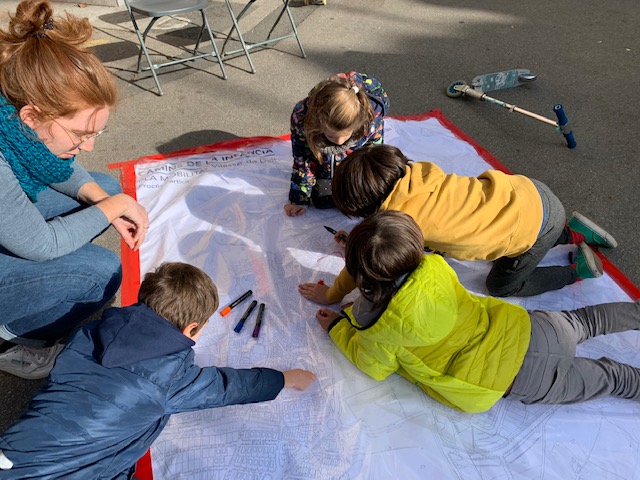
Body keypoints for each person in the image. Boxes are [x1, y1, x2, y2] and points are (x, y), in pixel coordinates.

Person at [0, 262, 317, 478]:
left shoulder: (91, 332)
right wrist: (285, 378)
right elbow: (231, 386)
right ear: (191, 329)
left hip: (17, 450)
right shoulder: (169, 378)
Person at [311, 210, 640, 413]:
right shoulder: (435, 266)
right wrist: (374, 254)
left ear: (361, 276)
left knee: (614, 378)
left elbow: (375, 367)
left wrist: (339, 327)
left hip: (520, 381)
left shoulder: (375, 326)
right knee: (588, 321)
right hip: (533, 330)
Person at [0, 0, 149, 379]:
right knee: (99, 272)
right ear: (31, 116)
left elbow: (57, 165)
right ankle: (10, 340)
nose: (90, 146)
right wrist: (116, 206)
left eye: (97, 133)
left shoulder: (13, 109)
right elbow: (41, 245)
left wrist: (107, 200)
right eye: (81, 134)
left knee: (103, 187)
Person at [299, 144, 617, 303]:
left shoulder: (399, 222)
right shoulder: (417, 173)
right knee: (525, 224)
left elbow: (361, 266)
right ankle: (575, 232)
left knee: (502, 286)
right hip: (532, 192)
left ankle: (576, 271)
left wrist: (331, 296)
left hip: (531, 230)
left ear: (367, 210)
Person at [284, 71, 389, 216]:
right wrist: (299, 199)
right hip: (322, 151)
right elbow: (302, 159)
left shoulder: (371, 119)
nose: (339, 143)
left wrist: (373, 192)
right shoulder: (303, 118)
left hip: (356, 158)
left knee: (359, 201)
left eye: (345, 136)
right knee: (322, 201)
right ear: (318, 125)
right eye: (331, 136)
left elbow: (373, 159)